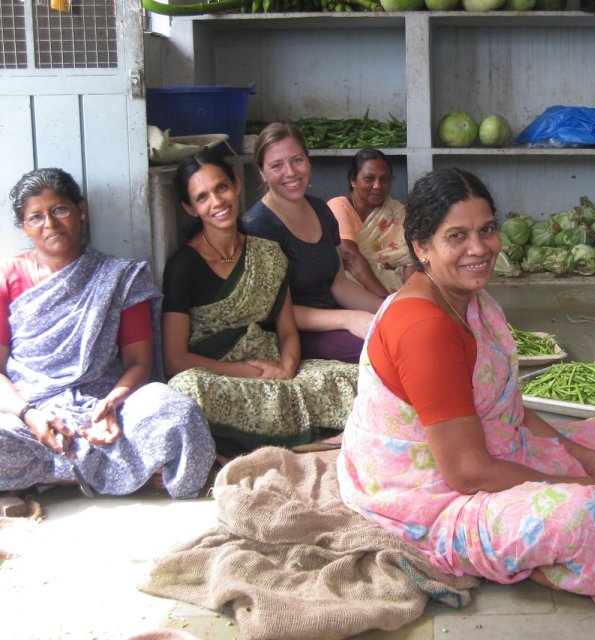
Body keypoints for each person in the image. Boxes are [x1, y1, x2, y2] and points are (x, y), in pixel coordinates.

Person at [337, 168, 595, 610]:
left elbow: (509, 409)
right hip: (431, 498)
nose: (480, 249)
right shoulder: (424, 328)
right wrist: (586, 487)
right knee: (593, 511)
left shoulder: (472, 300)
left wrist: (587, 458)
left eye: (486, 230)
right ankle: (529, 565)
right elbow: (466, 472)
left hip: (487, 452)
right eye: (457, 236)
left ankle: (554, 536)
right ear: (422, 248)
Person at [0, 168, 215, 499]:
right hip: (30, 409)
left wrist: (111, 404)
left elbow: (139, 362)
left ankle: (51, 473)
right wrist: (30, 416)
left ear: (80, 210)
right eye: (36, 217)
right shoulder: (7, 276)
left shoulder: (119, 277)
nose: (51, 224)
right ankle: (105, 473)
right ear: (24, 227)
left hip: (105, 405)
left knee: (178, 413)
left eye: (60, 210)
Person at [162, 153, 358, 454]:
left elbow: (288, 330)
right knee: (187, 391)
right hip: (221, 375)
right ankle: (315, 439)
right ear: (190, 208)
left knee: (353, 377)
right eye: (203, 197)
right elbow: (175, 360)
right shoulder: (183, 265)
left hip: (275, 366)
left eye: (221, 188)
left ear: (237, 185)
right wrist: (249, 373)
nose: (217, 202)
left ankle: (276, 443)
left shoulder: (268, 253)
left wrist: (288, 367)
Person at [242, 123, 384, 364]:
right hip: (292, 334)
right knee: (385, 348)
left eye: (297, 160)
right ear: (262, 173)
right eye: (277, 165)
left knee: (402, 326)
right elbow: (277, 313)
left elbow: (339, 285)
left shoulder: (320, 209)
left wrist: (386, 309)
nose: (290, 172)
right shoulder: (258, 226)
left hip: (333, 320)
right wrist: (350, 319)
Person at [327, 149, 415, 296]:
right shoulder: (339, 206)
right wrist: (384, 300)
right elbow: (348, 256)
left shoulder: (397, 212)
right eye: (369, 179)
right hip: (355, 289)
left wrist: (408, 297)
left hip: (397, 290)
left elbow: (410, 260)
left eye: (385, 179)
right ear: (353, 180)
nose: (378, 186)